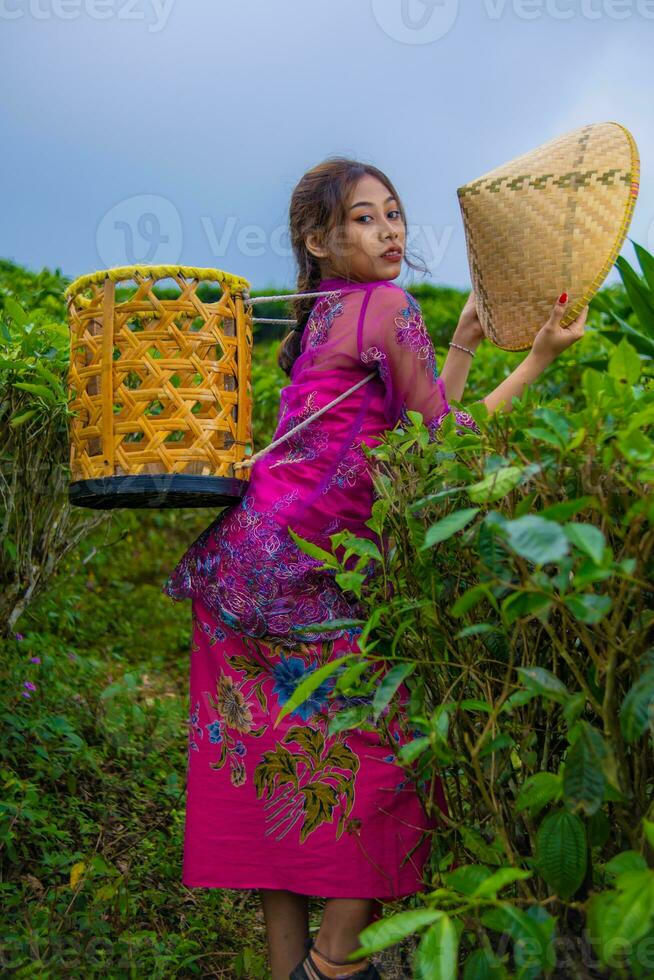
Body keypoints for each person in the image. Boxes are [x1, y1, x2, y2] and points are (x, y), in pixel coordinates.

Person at [162, 158, 588, 980]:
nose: (390, 229)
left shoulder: (317, 317)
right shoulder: (389, 307)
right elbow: (443, 450)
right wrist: (533, 363)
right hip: (307, 586)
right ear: (319, 240)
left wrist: (463, 340)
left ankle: (295, 971)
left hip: (238, 574)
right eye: (365, 218)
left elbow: (409, 439)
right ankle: (333, 970)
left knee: (265, 781)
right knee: (387, 770)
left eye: (394, 213)